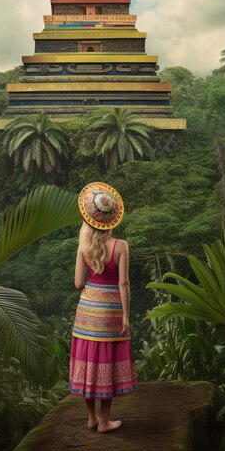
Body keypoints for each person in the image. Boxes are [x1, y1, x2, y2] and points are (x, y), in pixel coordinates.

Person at [69, 181, 138, 433]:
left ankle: (91, 417)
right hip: (111, 310)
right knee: (106, 362)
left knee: (89, 360)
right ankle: (105, 420)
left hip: (87, 310)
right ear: (112, 220)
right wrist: (126, 316)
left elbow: (78, 283)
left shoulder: (83, 247)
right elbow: (124, 283)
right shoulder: (121, 246)